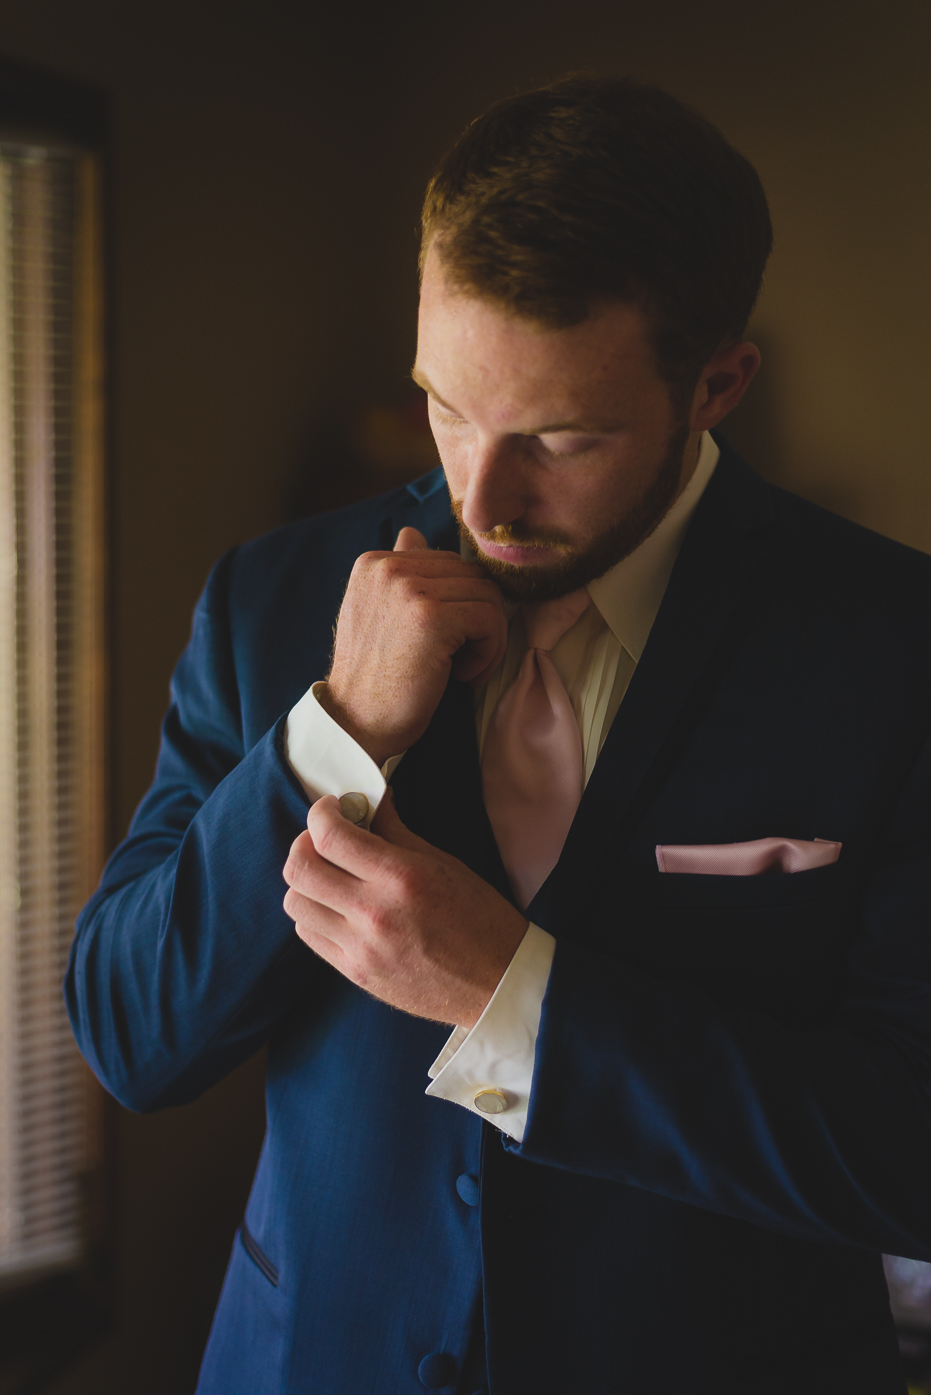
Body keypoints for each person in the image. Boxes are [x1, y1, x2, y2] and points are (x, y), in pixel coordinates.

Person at [65, 76, 931, 1395]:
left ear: (718, 384)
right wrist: (334, 737)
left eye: (562, 437)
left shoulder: (892, 647)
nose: (479, 495)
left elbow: (909, 1150)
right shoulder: (274, 599)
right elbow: (131, 1033)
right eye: (445, 402)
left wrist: (511, 1000)